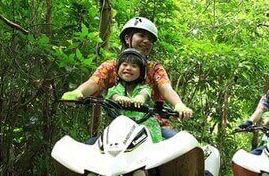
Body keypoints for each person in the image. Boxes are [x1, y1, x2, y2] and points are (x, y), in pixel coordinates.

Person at [61, 17, 193, 120]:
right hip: (120, 128)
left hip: (155, 124)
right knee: (89, 147)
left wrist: (178, 105)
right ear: (127, 38)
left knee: (181, 145)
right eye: (141, 35)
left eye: (150, 39)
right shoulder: (112, 66)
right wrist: (78, 93)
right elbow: (94, 82)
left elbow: (165, 87)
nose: (146, 41)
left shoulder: (154, 68)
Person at [104, 48, 166, 141]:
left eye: (134, 66)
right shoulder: (114, 89)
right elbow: (114, 96)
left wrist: (139, 98)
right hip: (120, 132)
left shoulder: (144, 88)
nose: (128, 68)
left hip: (146, 131)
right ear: (117, 69)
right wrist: (120, 98)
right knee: (92, 144)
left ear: (141, 72)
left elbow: (144, 94)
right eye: (124, 65)